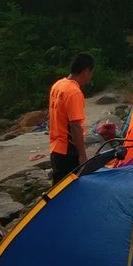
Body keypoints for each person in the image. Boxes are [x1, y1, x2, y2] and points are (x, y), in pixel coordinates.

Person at [48, 52, 95, 185]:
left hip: (56, 148)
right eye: (91, 73)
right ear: (86, 71)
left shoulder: (58, 85)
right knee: (68, 191)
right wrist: (82, 155)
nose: (90, 77)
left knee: (57, 191)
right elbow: (75, 126)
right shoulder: (74, 92)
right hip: (68, 152)